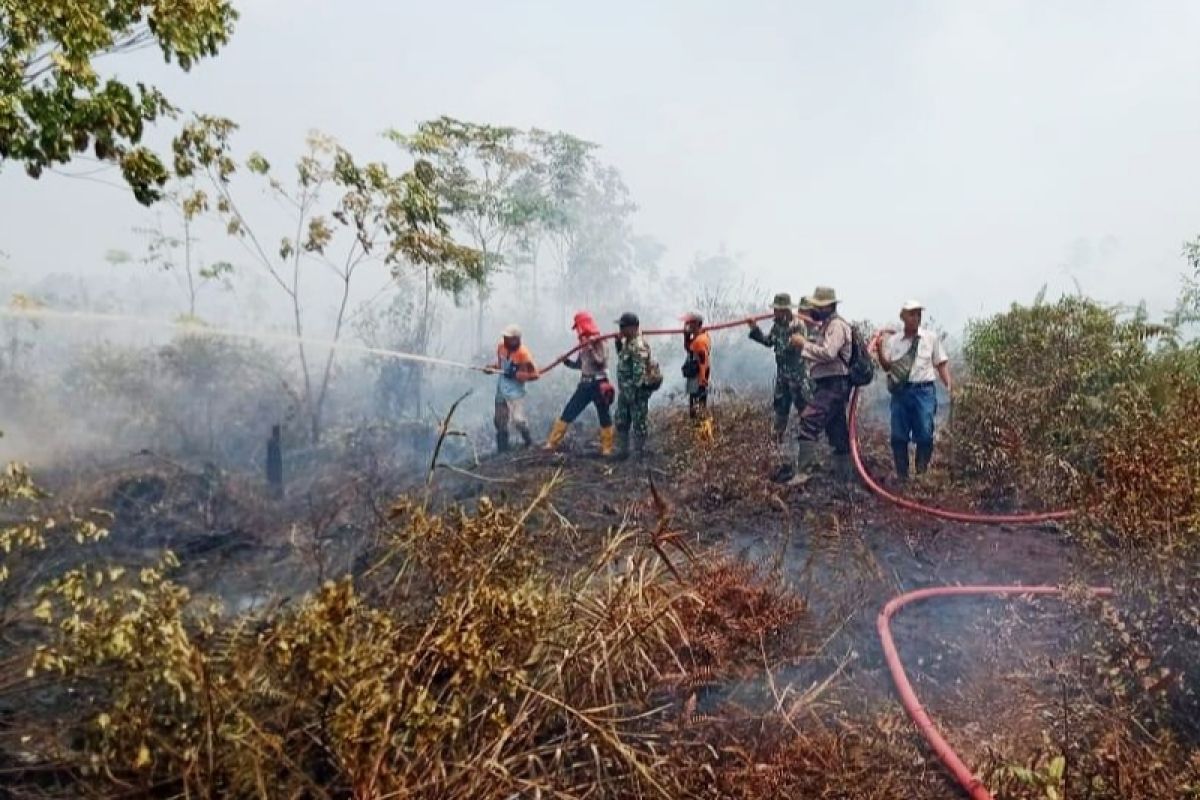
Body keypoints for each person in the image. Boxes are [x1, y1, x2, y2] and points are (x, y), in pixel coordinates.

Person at [874, 299, 953, 480]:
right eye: (912, 314)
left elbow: (941, 362)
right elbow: (888, 367)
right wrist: (879, 350)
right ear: (903, 317)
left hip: (924, 392)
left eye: (918, 314)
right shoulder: (894, 341)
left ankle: (921, 474)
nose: (916, 317)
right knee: (898, 436)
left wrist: (948, 384)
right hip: (901, 393)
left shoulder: (930, 338)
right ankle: (902, 476)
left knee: (925, 433)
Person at [791, 286, 853, 476]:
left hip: (834, 385)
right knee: (837, 432)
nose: (814, 310)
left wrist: (804, 344)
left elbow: (828, 353)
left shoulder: (836, 326)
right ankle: (844, 476)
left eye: (819, 306)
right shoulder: (827, 326)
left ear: (830, 306)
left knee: (809, 421)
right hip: (827, 384)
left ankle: (804, 472)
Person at [544, 311, 615, 456]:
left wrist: (591, 349)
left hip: (599, 384)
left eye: (579, 328)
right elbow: (579, 365)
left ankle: (607, 448)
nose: (578, 331)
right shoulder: (582, 344)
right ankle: (552, 442)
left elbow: (600, 362)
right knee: (570, 410)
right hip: (585, 385)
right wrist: (566, 361)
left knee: (604, 415)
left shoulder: (601, 341)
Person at [748, 293, 814, 444]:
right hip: (782, 378)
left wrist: (782, 347)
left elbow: (794, 348)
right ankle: (775, 447)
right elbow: (769, 341)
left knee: (805, 413)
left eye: (777, 309)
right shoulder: (777, 326)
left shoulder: (798, 325)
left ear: (785, 310)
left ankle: (808, 447)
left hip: (798, 378)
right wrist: (754, 328)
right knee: (780, 412)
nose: (774, 312)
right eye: (774, 309)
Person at [487, 324, 538, 452]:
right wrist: (491, 368)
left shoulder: (524, 354)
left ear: (516, 339)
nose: (505, 340)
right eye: (504, 337)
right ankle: (503, 450)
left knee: (518, 420)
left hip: (515, 394)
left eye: (508, 338)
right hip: (501, 391)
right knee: (499, 421)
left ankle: (529, 441)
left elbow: (535, 375)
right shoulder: (501, 347)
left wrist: (519, 375)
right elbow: (500, 366)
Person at [614, 311, 656, 459]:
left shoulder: (639, 345)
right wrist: (618, 345)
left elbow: (640, 372)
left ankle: (639, 453)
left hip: (636, 394)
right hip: (625, 392)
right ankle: (623, 451)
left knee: (639, 424)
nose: (620, 330)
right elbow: (625, 362)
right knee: (621, 421)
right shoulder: (628, 344)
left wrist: (635, 393)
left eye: (623, 327)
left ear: (633, 328)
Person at [680, 311, 711, 420]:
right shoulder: (698, 338)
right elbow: (690, 349)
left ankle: (702, 434)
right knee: (695, 411)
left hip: (698, 381)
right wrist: (686, 337)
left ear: (696, 324)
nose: (686, 326)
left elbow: (703, 362)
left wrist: (702, 384)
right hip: (695, 380)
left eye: (689, 323)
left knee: (698, 413)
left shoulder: (700, 341)